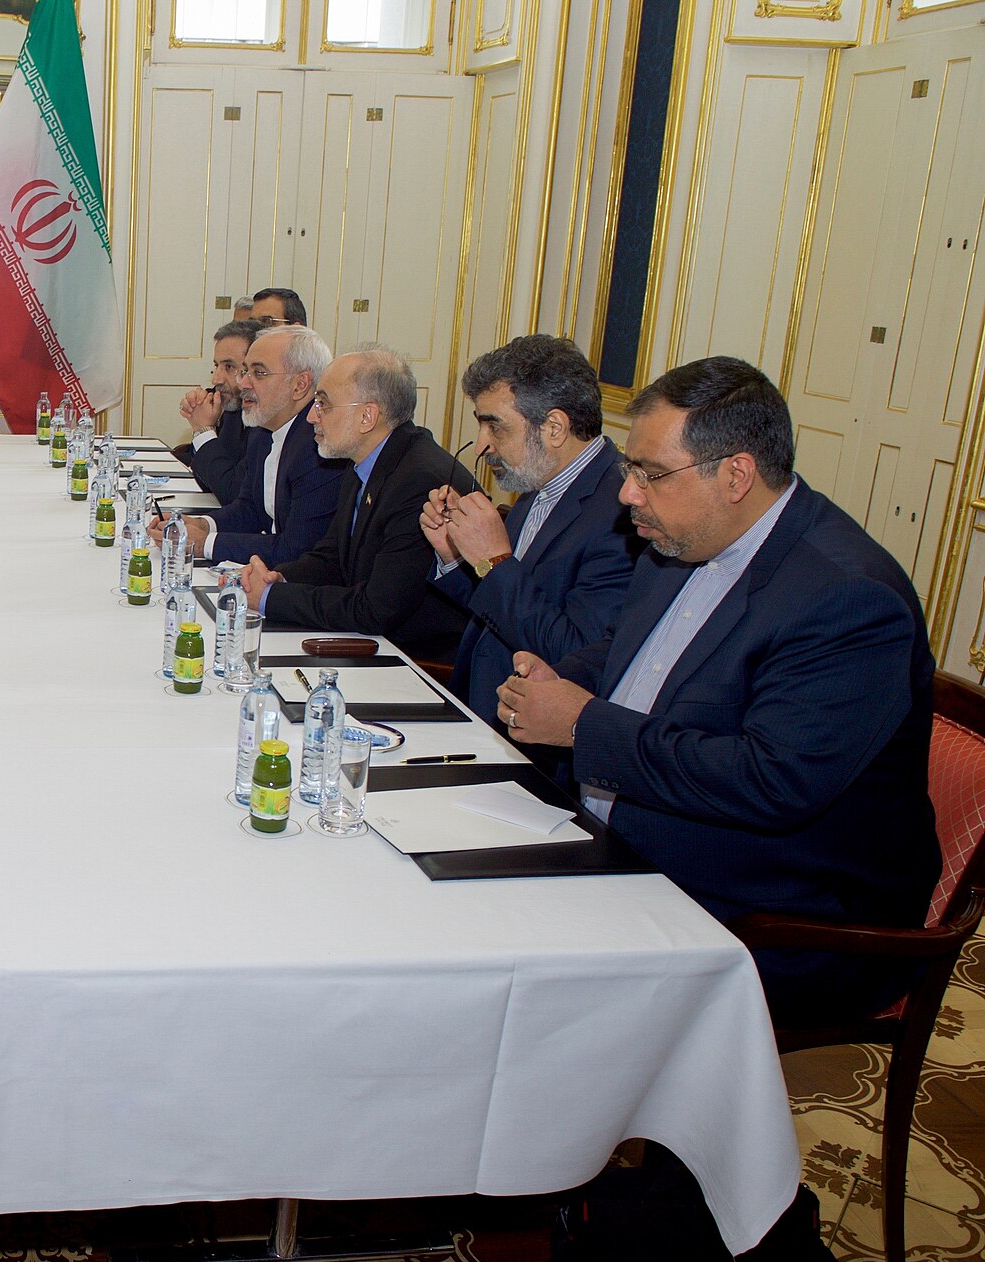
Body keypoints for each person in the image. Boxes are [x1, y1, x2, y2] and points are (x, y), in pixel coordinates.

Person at [495, 355, 937, 1025]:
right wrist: (567, 680)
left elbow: (772, 781)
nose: (628, 495)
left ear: (736, 474)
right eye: (629, 470)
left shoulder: (847, 600)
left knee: (517, 990)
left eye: (650, 474)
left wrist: (585, 727)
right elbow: (633, 652)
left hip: (778, 908)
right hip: (640, 837)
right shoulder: (682, 537)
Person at [421, 335, 641, 727]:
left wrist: (494, 559)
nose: (482, 446)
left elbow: (574, 653)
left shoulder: (622, 511)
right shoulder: (537, 480)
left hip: (534, 743)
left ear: (554, 427)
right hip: (480, 712)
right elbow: (497, 604)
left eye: (496, 427)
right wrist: (456, 558)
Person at [241, 345, 474, 664]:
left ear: (367, 416)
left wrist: (270, 598)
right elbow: (332, 556)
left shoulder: (420, 481)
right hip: (369, 642)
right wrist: (276, 577)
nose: (311, 416)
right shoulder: (364, 460)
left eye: (322, 404)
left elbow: (375, 610)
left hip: (415, 662)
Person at [156, 325, 344, 566]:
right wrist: (203, 524)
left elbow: (297, 550)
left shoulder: (319, 446)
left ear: (300, 385)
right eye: (244, 371)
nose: (243, 383)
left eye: (259, 373)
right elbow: (250, 508)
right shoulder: (263, 431)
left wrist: (204, 543)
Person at [180, 318, 260, 504]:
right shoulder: (233, 411)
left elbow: (231, 493)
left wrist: (203, 430)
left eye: (229, 367)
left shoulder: (266, 421)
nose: (216, 379)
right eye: (217, 366)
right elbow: (208, 481)